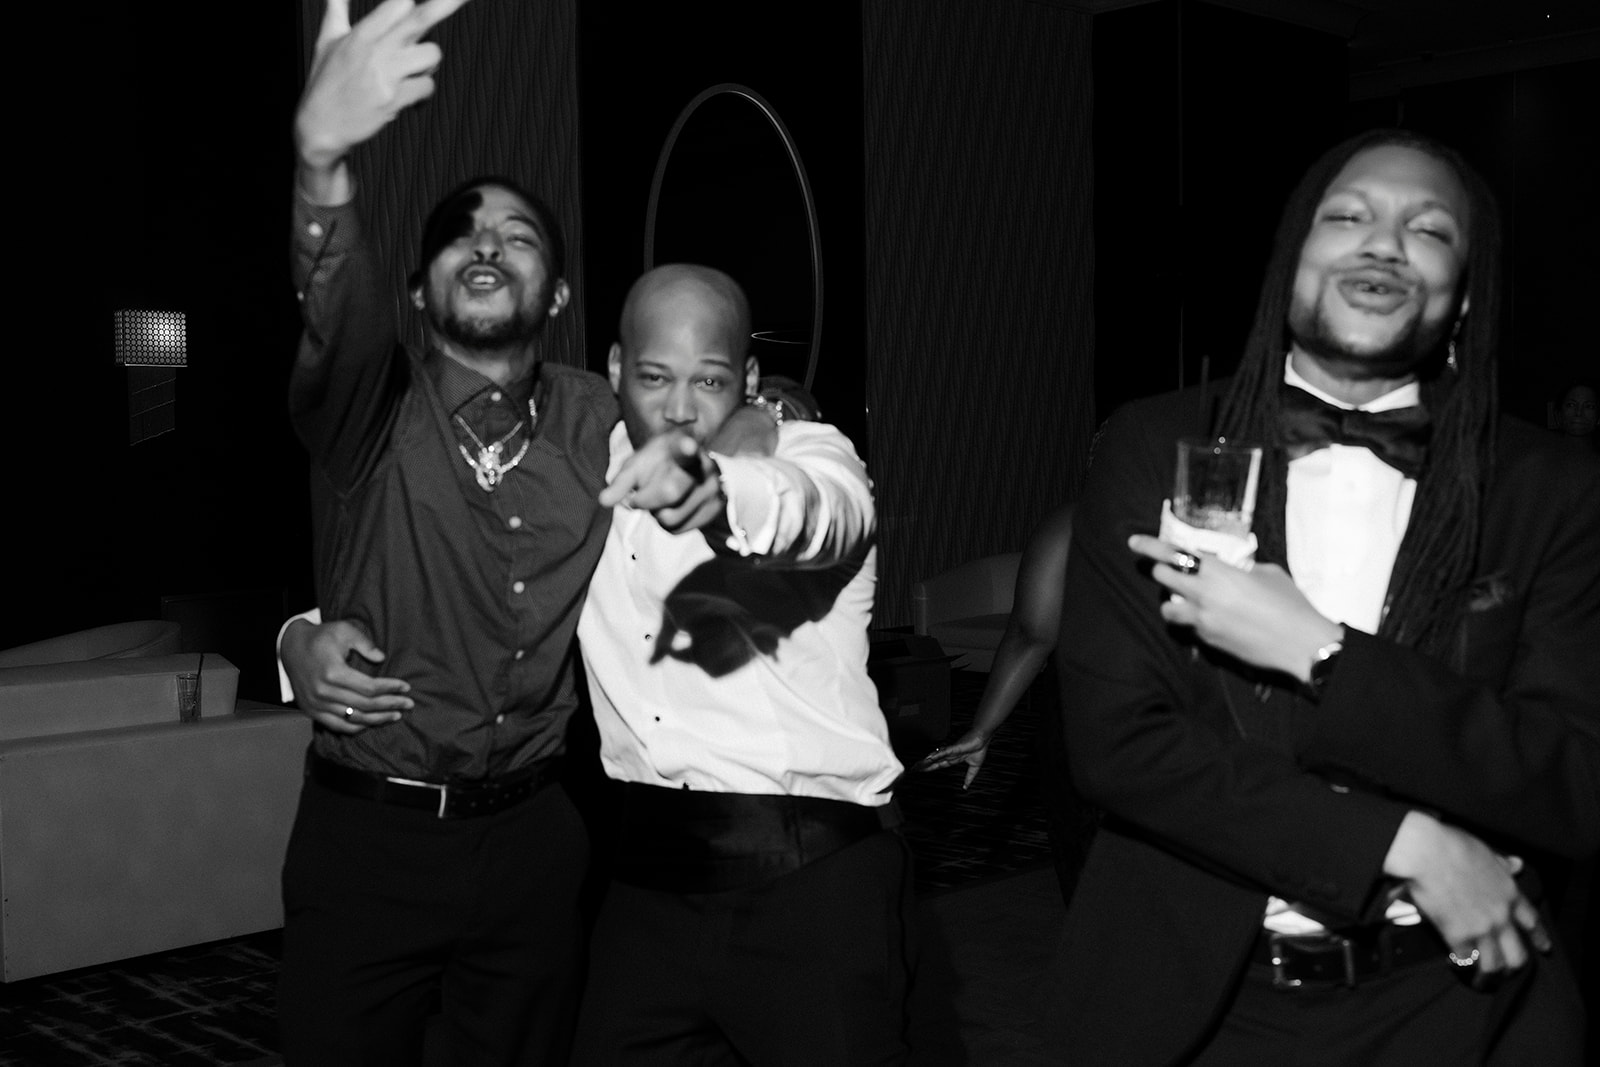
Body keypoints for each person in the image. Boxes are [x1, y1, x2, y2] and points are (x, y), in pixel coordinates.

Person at [1050, 128, 1600, 1065]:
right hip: (1197, 1004)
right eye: (1347, 217)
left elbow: (1571, 777)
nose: (1383, 242)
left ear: (1463, 294)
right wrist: (1405, 842)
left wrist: (1327, 656)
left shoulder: (1550, 488)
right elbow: (1117, 741)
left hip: (1458, 1002)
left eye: (1427, 231)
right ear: (1290, 263)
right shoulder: (1150, 443)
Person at [276, 2, 735, 1062]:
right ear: (417, 288)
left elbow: (726, 406)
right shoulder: (369, 405)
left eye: (517, 237)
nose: (486, 244)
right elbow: (327, 315)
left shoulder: (596, 417)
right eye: (460, 236)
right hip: (368, 837)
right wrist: (323, 162)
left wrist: (762, 427)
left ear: (560, 292)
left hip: (537, 838)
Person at [566, 264, 912, 1064]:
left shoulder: (815, 454)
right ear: (616, 369)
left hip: (808, 878)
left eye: (711, 380)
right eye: (654, 377)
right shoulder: (580, 465)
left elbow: (817, 510)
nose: (681, 407)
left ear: (749, 380)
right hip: (642, 890)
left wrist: (722, 490)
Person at [913, 502, 1099, 904]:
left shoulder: (1075, 520)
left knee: (1089, 863)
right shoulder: (1220, 520)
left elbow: (1032, 633)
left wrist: (982, 728)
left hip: (1090, 709)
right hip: (1191, 717)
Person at [1556, 378, 1598, 453]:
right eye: (1571, 405)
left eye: (1589, 406)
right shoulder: (1538, 457)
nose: (1579, 413)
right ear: (1559, 414)